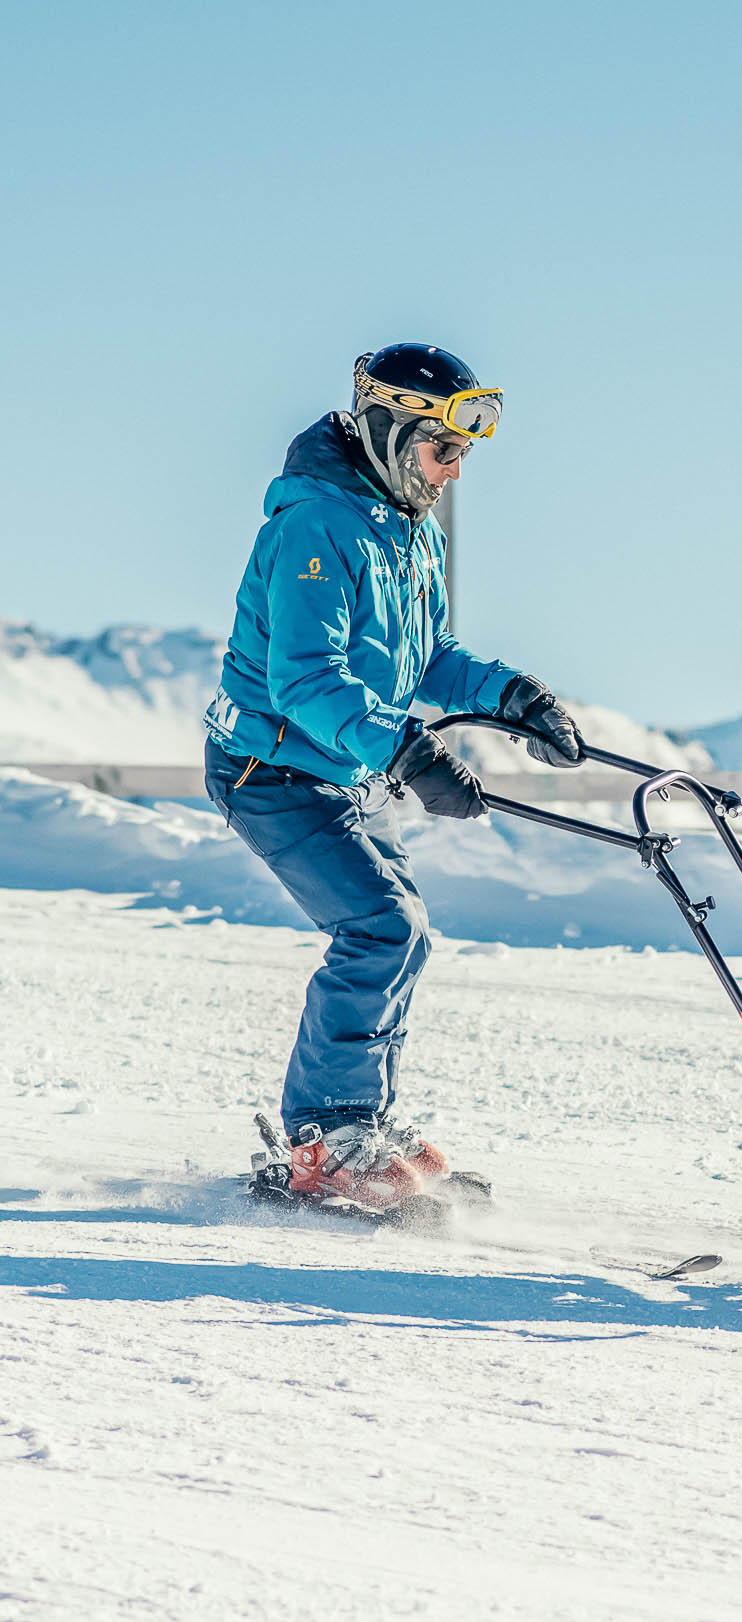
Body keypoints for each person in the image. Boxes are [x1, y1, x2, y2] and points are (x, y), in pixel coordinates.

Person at [204, 342, 583, 1210]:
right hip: (273, 767)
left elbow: (427, 658)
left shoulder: (404, 526)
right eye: (442, 450)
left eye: (463, 456)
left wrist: (513, 696)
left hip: (341, 766)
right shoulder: (316, 525)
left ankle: (357, 1120)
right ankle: (326, 1135)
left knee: (401, 934)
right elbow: (304, 679)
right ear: (385, 432)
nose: (453, 471)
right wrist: (409, 753)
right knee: (381, 928)